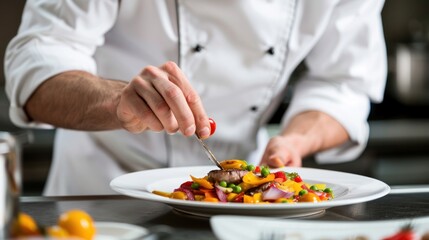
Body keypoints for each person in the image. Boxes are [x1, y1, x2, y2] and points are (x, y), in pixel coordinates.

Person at [4, 0, 387, 196]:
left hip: (240, 212)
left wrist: (295, 141)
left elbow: (344, 84)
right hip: (101, 197)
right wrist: (117, 101)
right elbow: (36, 64)